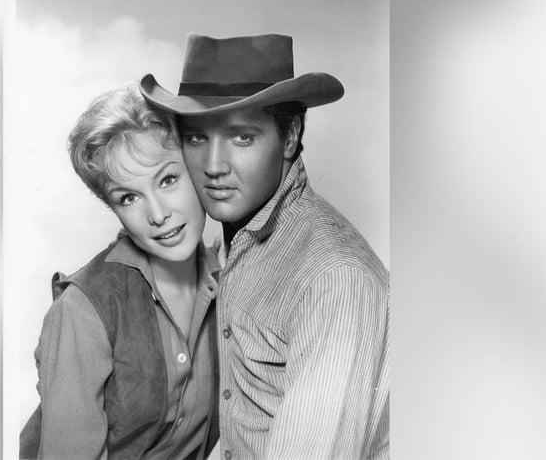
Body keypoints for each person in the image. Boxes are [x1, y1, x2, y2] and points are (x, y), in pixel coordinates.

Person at [140, 33, 390, 459]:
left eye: (242, 138)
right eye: (197, 138)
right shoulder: (238, 241)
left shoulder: (333, 278)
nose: (214, 167)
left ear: (290, 136)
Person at [19, 83, 221, 459]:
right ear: (112, 207)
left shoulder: (231, 282)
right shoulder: (83, 310)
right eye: (129, 197)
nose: (158, 214)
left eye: (168, 179)